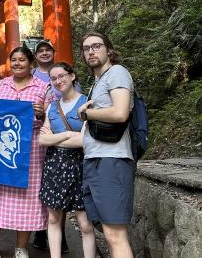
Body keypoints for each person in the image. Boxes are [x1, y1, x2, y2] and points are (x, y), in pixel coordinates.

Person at [0, 46, 49, 258]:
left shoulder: (43, 87)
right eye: (14, 60)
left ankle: (21, 248)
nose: (17, 63)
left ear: (30, 62)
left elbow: (52, 122)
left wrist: (41, 115)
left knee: (27, 199)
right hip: (0, 153)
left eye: (22, 59)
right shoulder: (0, 85)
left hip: (30, 152)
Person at [77, 32, 135, 258]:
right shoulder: (98, 82)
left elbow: (120, 113)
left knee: (115, 235)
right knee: (108, 233)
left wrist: (86, 114)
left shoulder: (117, 73)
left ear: (108, 50)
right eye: (86, 48)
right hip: (95, 159)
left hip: (112, 159)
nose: (91, 51)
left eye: (96, 46)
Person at [38, 62, 96, 258]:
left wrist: (56, 138)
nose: (58, 81)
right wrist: (66, 136)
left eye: (61, 76)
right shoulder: (52, 108)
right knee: (54, 218)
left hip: (82, 165)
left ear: (72, 76)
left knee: (85, 223)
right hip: (55, 166)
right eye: (53, 78)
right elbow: (42, 139)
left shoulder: (87, 103)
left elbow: (86, 140)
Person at [32, 39, 72, 252]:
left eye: (48, 50)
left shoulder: (63, 73)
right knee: (41, 185)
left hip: (63, 135)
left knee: (61, 187)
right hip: (40, 134)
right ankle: (40, 231)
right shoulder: (32, 76)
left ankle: (61, 233)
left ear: (54, 53)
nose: (45, 53)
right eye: (41, 51)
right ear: (36, 55)